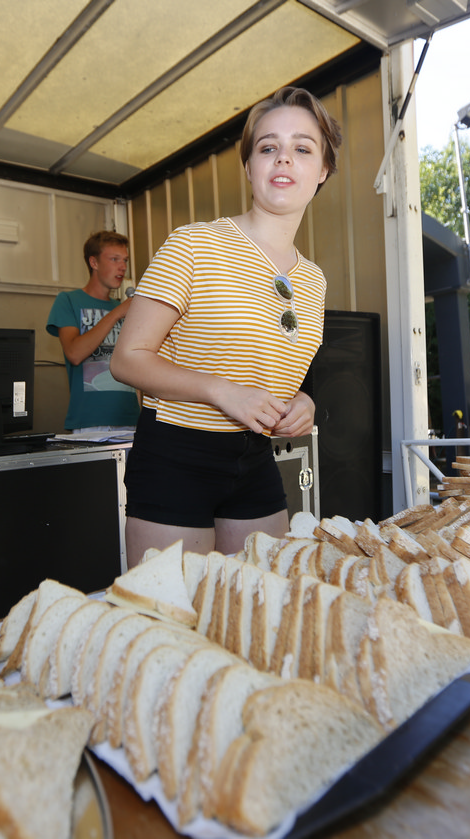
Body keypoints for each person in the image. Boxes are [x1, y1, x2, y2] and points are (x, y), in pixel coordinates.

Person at [110, 86, 342, 566]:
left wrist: (304, 402)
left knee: (257, 603)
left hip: (255, 459)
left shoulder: (315, 281)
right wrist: (222, 392)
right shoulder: (192, 245)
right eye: (268, 147)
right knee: (171, 610)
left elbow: (278, 372)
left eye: (302, 148)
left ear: (322, 170)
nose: (284, 158)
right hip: (176, 455)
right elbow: (127, 359)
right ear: (250, 167)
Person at [46, 230, 141, 433]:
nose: (123, 267)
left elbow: (136, 365)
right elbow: (74, 353)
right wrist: (117, 313)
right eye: (114, 259)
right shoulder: (68, 301)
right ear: (94, 262)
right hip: (90, 421)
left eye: (125, 260)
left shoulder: (125, 309)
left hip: (130, 418)